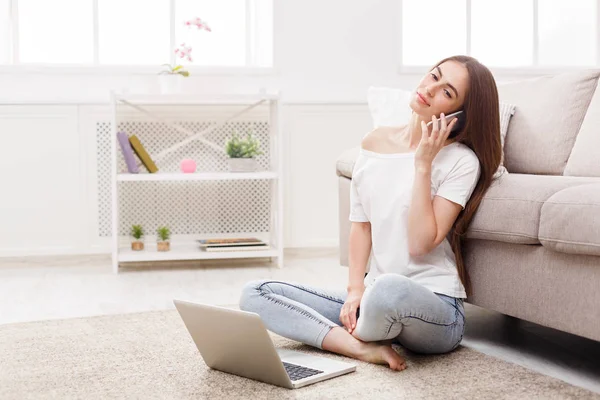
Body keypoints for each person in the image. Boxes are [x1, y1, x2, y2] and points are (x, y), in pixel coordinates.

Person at [239, 55, 502, 371]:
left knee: (388, 289)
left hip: (435, 309)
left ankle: (356, 331)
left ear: (459, 117)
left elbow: (420, 244)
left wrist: (423, 164)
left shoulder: (461, 161)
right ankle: (357, 347)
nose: (430, 89)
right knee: (256, 293)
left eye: (447, 92)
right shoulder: (374, 142)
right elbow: (360, 226)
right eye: (434, 76)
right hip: (375, 299)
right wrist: (354, 292)